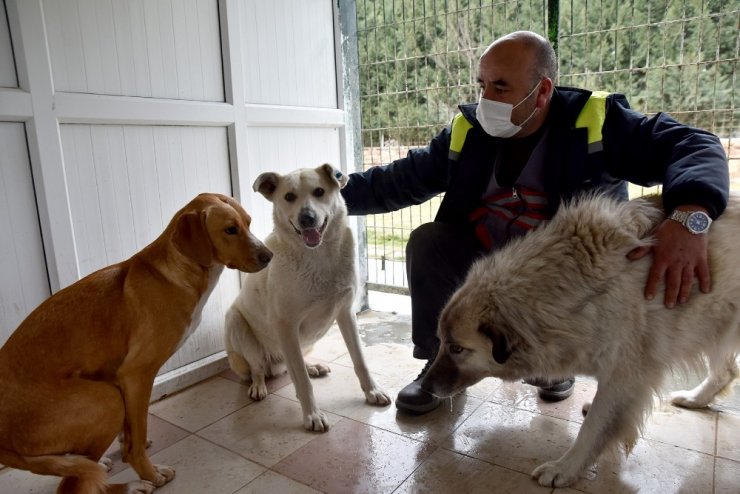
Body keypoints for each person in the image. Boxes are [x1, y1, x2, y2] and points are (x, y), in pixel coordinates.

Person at [341, 30, 729, 415]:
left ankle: (555, 369)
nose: (485, 99)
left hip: (557, 278)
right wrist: (326, 201)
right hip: (487, 265)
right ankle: (441, 361)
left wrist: (690, 215)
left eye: (501, 87)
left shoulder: (595, 123)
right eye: (482, 85)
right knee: (430, 240)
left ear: (542, 92)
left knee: (548, 352)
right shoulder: (469, 132)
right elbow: (398, 180)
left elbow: (695, 145)